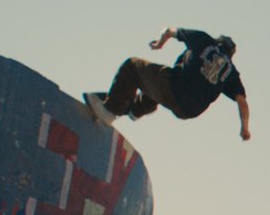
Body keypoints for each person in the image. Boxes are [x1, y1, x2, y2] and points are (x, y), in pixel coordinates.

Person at [85, 27, 251, 141]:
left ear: (218, 42)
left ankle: (110, 110)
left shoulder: (205, 40)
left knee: (133, 66)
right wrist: (245, 128)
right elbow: (242, 102)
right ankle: (137, 109)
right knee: (157, 81)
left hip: (175, 88)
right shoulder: (231, 72)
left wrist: (160, 43)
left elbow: (171, 30)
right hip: (189, 111)